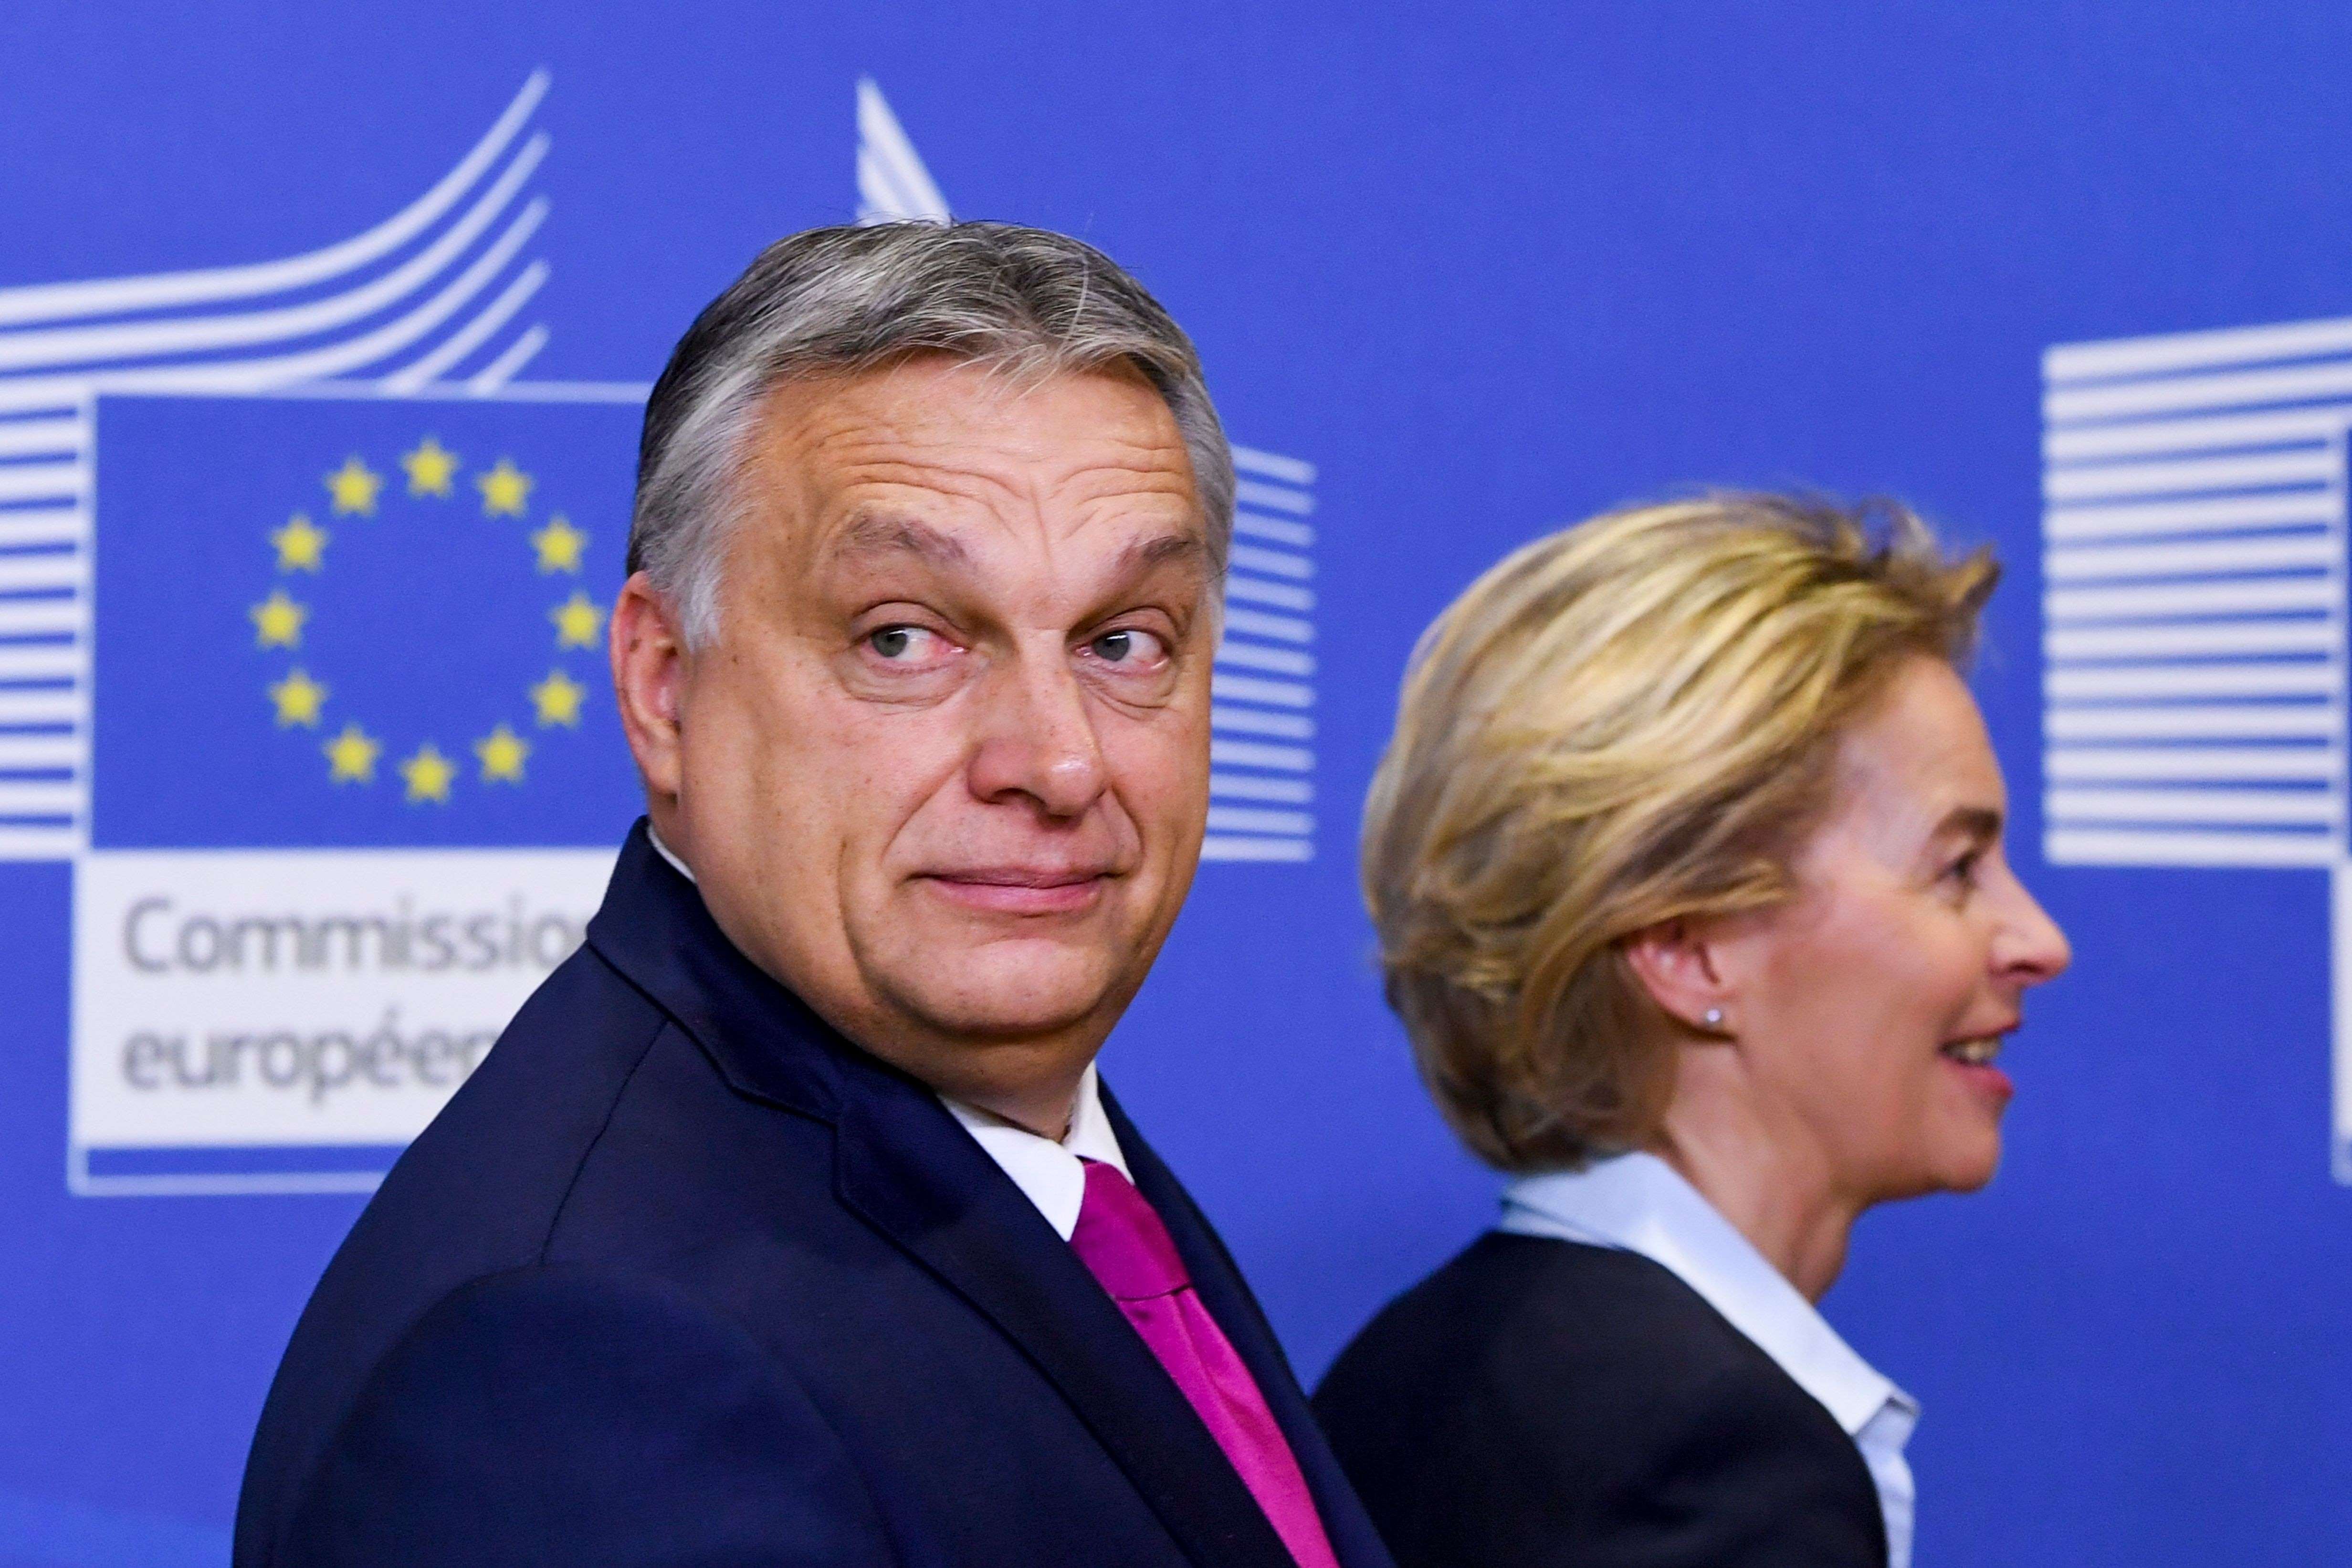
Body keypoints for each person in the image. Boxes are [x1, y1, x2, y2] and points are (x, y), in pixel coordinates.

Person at [233, 222, 1390, 1568]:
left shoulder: (1028, 1147)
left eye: (1122, 640)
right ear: (666, 686)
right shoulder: (579, 1360)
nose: (1059, 759)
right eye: (904, 636)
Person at [1312, 495, 2071, 1568]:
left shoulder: (1397, 1372)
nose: (2041, 939)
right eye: (1953, 868)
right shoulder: (1714, 1466)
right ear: (1686, 943)